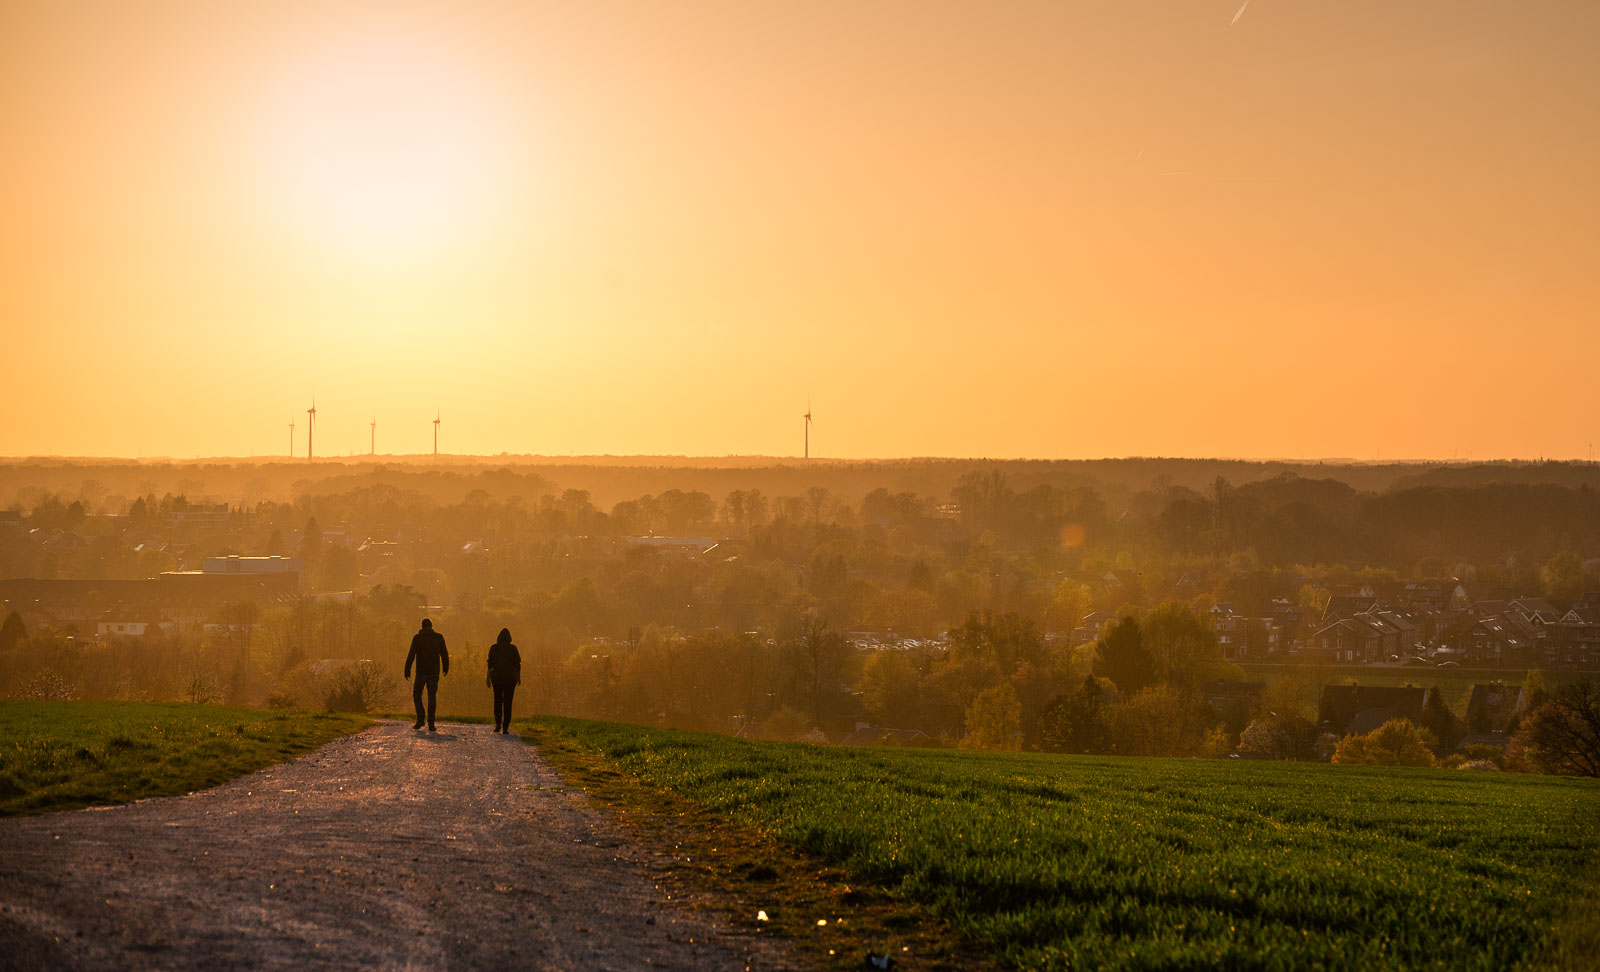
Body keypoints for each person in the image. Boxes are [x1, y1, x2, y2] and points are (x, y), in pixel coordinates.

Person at [404, 618, 449, 732]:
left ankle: (420, 719)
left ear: (422, 626)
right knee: (432, 697)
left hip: (421, 672)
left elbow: (411, 654)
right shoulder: (439, 637)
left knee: (417, 694)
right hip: (434, 672)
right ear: (431, 626)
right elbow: (444, 653)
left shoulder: (417, 638)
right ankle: (431, 723)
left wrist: (407, 669)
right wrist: (446, 666)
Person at [486, 627, 522, 734]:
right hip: (510, 678)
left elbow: (490, 665)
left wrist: (487, 678)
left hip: (497, 678)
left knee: (497, 700)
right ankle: (506, 727)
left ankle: (498, 724)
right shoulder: (513, 648)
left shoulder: (493, 648)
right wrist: (519, 677)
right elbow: (517, 665)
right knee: (508, 703)